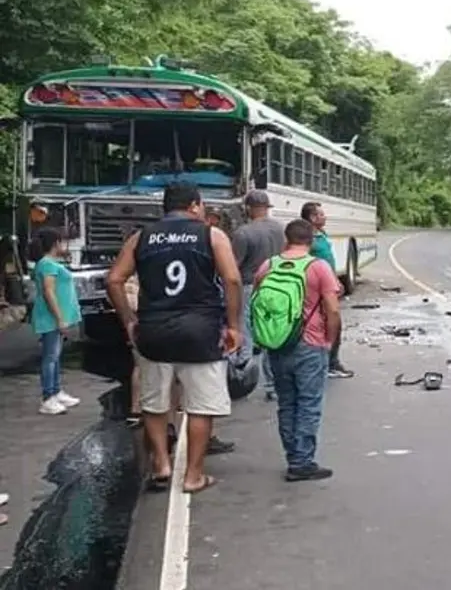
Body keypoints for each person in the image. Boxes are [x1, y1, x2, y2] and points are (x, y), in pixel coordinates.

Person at [106, 182, 242, 495]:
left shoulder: (142, 237)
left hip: (153, 332)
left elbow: (114, 279)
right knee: (200, 407)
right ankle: (193, 476)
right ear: (195, 205)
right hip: (200, 332)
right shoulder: (211, 235)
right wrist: (233, 325)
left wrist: (129, 320)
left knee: (155, 404)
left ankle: (161, 465)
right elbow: (232, 279)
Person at [255, 219, 341, 481]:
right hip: (311, 344)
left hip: (279, 344)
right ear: (311, 241)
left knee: (287, 402)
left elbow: (260, 303)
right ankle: (302, 462)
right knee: (309, 403)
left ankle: (293, 455)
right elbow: (333, 310)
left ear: (286, 239)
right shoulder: (319, 268)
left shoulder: (268, 265)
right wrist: (330, 340)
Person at [232, 191, 284, 400]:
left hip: (249, 286)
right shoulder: (280, 229)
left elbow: (233, 266)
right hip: (276, 287)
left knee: (245, 332)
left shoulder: (243, 233)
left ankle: (241, 379)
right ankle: (273, 385)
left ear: (248, 208)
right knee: (272, 335)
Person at [30, 227, 81, 415]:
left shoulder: (49, 263)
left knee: (55, 355)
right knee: (50, 357)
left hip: (55, 317)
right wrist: (59, 318)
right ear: (55, 243)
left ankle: (56, 391)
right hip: (50, 317)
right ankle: (47, 397)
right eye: (61, 241)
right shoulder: (47, 264)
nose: (63, 244)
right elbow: (48, 291)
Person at [300, 202, 352, 379]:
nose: (325, 217)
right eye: (321, 215)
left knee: (332, 324)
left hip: (329, 285)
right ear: (313, 218)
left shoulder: (321, 234)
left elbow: (327, 260)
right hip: (317, 291)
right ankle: (329, 363)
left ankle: (329, 361)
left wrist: (336, 279)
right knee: (331, 323)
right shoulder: (308, 239)